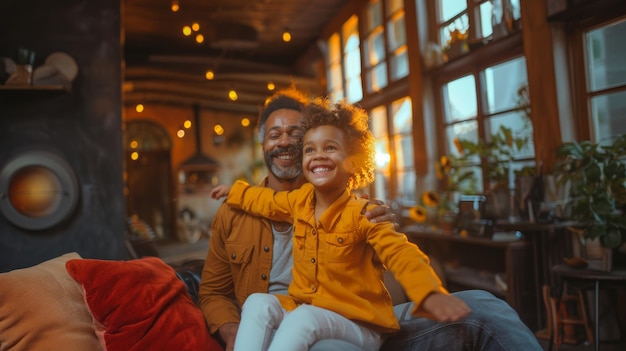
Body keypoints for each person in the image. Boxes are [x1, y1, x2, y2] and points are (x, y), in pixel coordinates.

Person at [198, 88, 543, 351]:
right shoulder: (259, 209)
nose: (286, 141)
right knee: (276, 310)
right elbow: (213, 289)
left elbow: (400, 256)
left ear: (349, 158)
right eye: (276, 135)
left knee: (486, 305)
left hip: (354, 314)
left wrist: (427, 293)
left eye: (303, 137)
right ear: (264, 146)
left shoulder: (361, 209)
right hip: (294, 320)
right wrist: (234, 331)